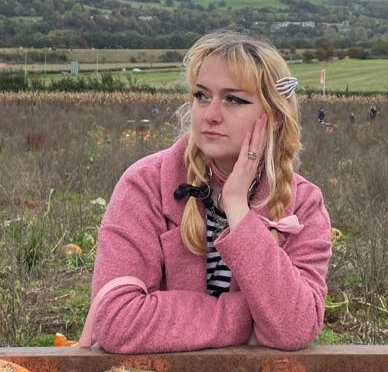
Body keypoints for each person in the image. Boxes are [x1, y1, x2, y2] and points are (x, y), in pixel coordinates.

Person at [87, 31, 332, 354]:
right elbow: (116, 321)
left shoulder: (303, 204)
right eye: (202, 96)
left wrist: (237, 207)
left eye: (233, 99)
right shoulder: (145, 185)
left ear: (271, 117)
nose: (211, 114)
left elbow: (294, 327)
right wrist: (248, 319)